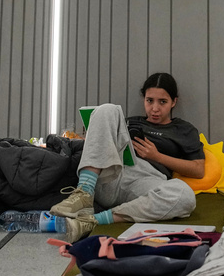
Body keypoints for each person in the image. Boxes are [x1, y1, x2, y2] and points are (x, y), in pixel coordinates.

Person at [49, 73, 203, 242]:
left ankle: (93, 220)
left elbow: (198, 169)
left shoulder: (184, 130)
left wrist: (157, 156)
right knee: (108, 109)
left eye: (163, 102)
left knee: (185, 196)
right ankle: (84, 193)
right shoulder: (129, 121)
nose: (155, 108)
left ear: (174, 101)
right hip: (112, 173)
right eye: (149, 100)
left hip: (146, 181)